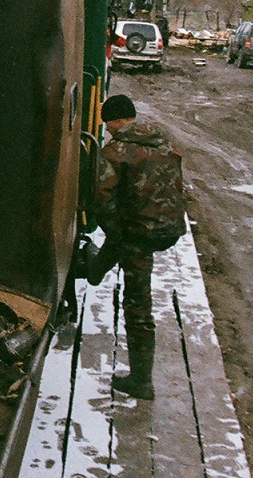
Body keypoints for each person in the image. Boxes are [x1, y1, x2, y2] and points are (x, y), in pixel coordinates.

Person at [85, 94, 187, 400]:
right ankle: (95, 269)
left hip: (139, 235)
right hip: (169, 228)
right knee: (122, 239)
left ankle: (142, 382)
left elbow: (102, 199)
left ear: (118, 120)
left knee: (137, 304)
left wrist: (117, 233)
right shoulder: (164, 142)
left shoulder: (116, 151)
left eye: (108, 124)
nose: (107, 129)